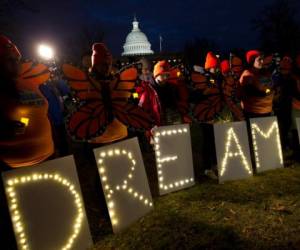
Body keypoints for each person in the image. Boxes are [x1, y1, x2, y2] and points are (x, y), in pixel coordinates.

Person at [0, 35, 54, 167]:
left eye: (17, 59)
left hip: (48, 156)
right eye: (9, 60)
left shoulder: (30, 83)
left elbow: (39, 112)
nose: (16, 63)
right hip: (15, 166)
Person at [153, 60, 190, 125]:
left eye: (167, 75)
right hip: (157, 120)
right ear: (157, 75)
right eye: (163, 75)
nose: (165, 78)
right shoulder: (150, 89)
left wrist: (182, 114)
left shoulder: (172, 87)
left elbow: (179, 100)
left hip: (172, 117)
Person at [239, 50, 274, 119]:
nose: (262, 61)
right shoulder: (247, 74)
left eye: (262, 59)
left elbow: (271, 86)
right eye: (259, 60)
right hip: (254, 113)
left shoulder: (264, 73)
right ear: (252, 61)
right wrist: (268, 91)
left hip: (267, 111)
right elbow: (251, 92)